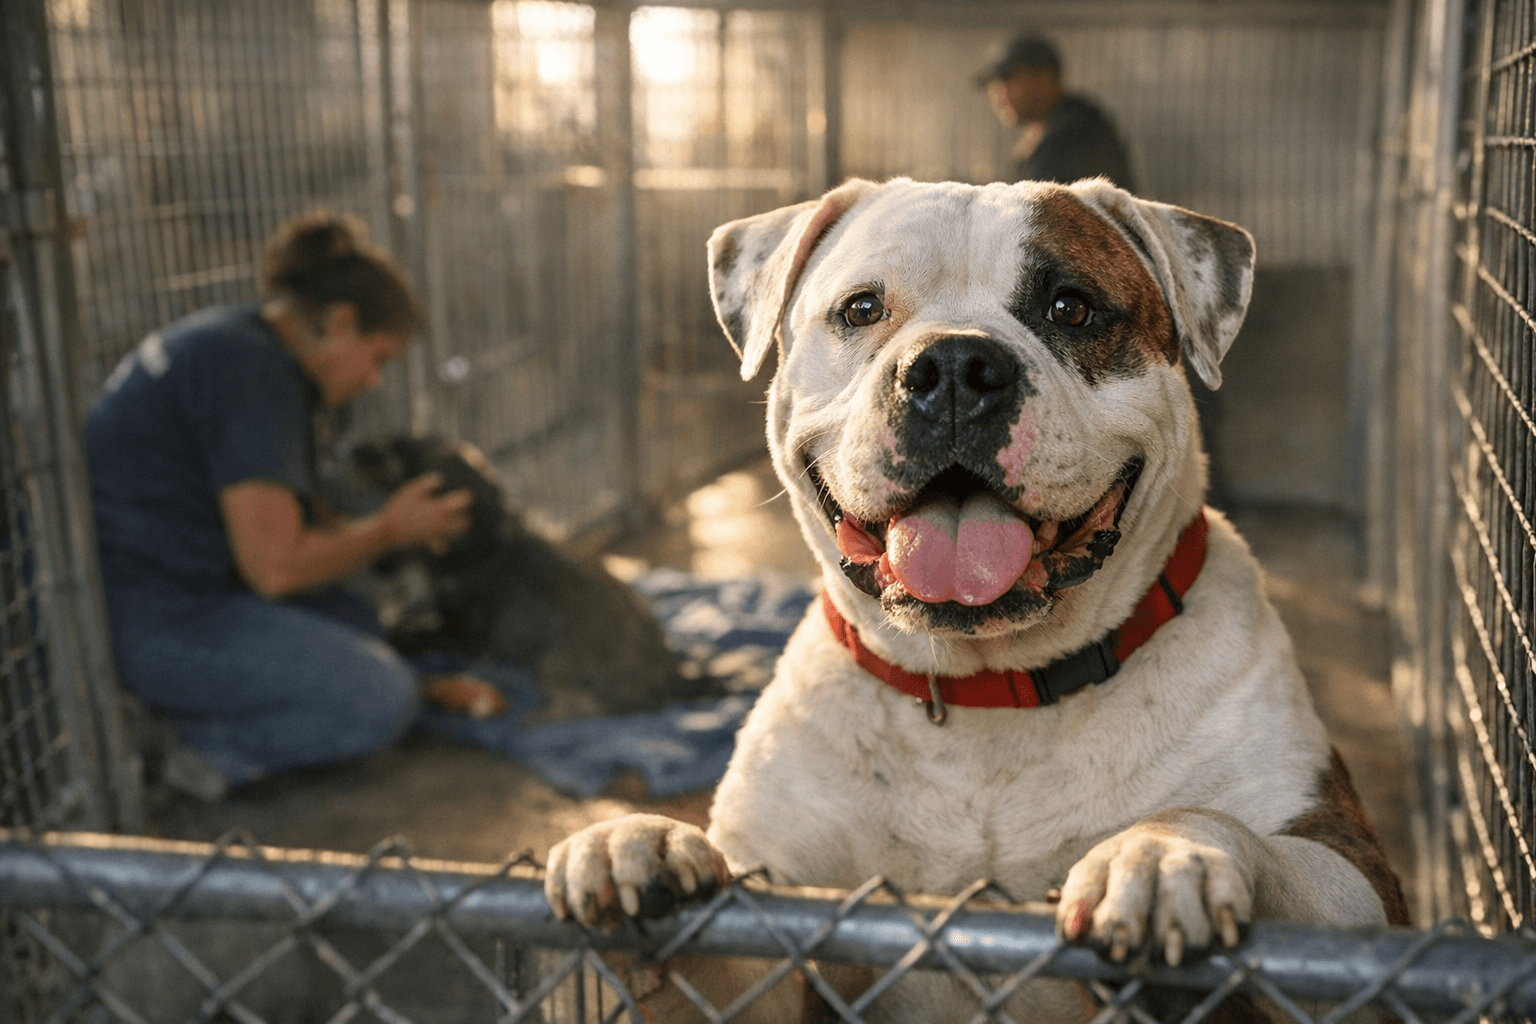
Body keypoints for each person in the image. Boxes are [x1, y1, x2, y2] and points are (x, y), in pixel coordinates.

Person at [86, 212, 503, 799]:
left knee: (362, 622)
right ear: (339, 322)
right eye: (378, 358)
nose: (374, 381)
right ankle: (177, 752)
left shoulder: (240, 343)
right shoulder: (253, 373)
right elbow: (275, 568)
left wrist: (387, 529)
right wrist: (387, 530)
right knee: (379, 700)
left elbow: (290, 522)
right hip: (142, 621)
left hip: (149, 594)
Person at [977, 33, 1136, 192]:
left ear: (1045, 78)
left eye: (1008, 80)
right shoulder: (1050, 130)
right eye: (994, 86)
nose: (1000, 96)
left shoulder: (1078, 134)